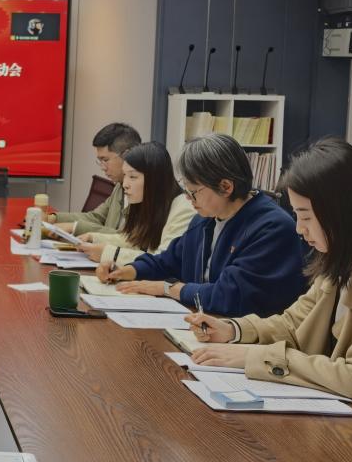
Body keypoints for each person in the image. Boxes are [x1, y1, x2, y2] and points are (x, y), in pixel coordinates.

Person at [186, 138, 352, 443]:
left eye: (305, 216)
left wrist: (254, 356)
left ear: (342, 212)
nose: (299, 229)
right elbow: (293, 324)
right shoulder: (343, 259)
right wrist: (232, 330)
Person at [100, 133, 306, 317]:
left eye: (193, 192)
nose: (188, 198)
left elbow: (230, 295)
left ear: (225, 186)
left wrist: (168, 288)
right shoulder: (205, 218)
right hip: (203, 324)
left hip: (245, 336)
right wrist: (127, 270)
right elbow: (168, 261)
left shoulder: (271, 228)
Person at [77, 141, 194, 267]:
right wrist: (93, 238)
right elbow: (133, 241)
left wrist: (110, 254)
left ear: (154, 179)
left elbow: (162, 261)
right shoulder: (151, 203)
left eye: (132, 177)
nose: (125, 184)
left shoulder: (184, 208)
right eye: (125, 176)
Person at [52, 122, 141, 235]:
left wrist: (75, 228)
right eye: (100, 161)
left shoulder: (147, 192)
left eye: (105, 160)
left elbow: (127, 238)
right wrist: (54, 218)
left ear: (127, 155)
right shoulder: (119, 185)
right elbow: (96, 217)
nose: (103, 167)